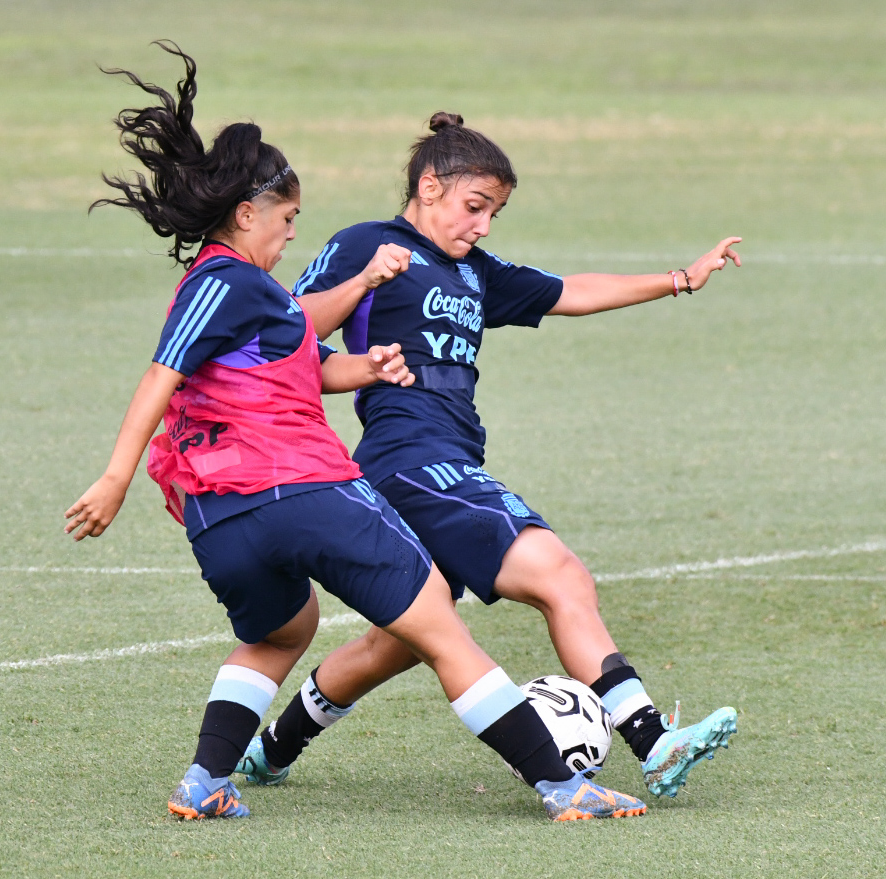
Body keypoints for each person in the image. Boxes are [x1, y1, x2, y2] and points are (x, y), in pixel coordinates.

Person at [64, 45, 648, 822]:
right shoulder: (222, 280)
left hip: (219, 521)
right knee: (440, 627)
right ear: (247, 213)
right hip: (304, 490)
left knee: (284, 631)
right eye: (286, 220)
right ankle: (561, 783)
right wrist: (113, 475)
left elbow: (301, 362)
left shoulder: (261, 297)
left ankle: (206, 779)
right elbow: (160, 372)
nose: (289, 235)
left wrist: (366, 366)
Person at [240, 112, 741, 800]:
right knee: (559, 574)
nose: (481, 225)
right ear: (427, 186)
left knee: (406, 638)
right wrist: (359, 323)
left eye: (493, 213)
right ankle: (654, 742)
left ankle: (271, 748)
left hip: (432, 460)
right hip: (411, 459)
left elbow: (571, 291)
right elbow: (290, 325)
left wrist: (679, 278)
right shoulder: (367, 244)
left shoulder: (476, 272)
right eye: (474, 206)